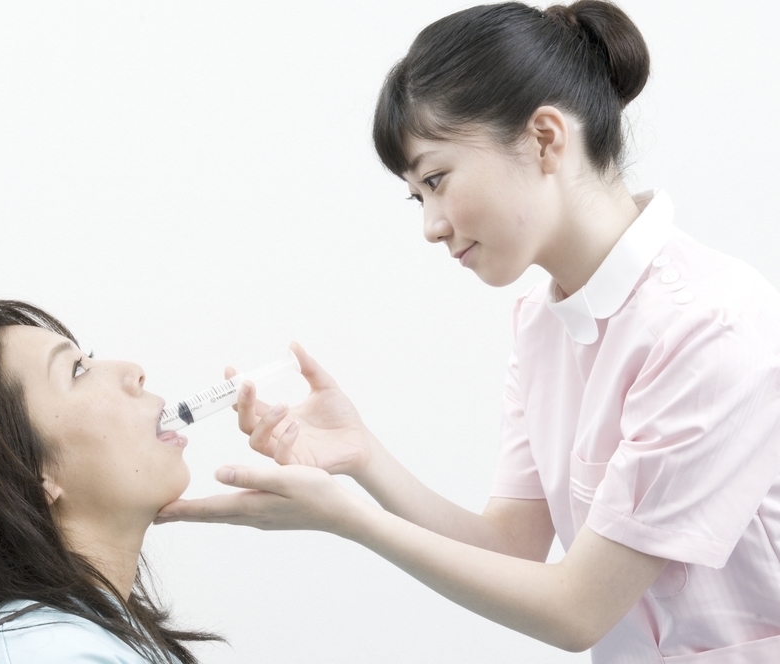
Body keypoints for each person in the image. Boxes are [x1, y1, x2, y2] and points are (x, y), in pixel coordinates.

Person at [155, 1, 780, 661]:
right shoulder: (541, 324)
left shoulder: (710, 327)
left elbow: (578, 611)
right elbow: (511, 548)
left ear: (545, 138)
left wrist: (350, 521)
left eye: (436, 179)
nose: (431, 226)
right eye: (417, 196)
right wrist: (364, 457)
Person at [0, 300, 220, 664]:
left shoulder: (70, 644)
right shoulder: (48, 654)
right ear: (25, 474)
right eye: (77, 370)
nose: (133, 372)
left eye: (89, 358)